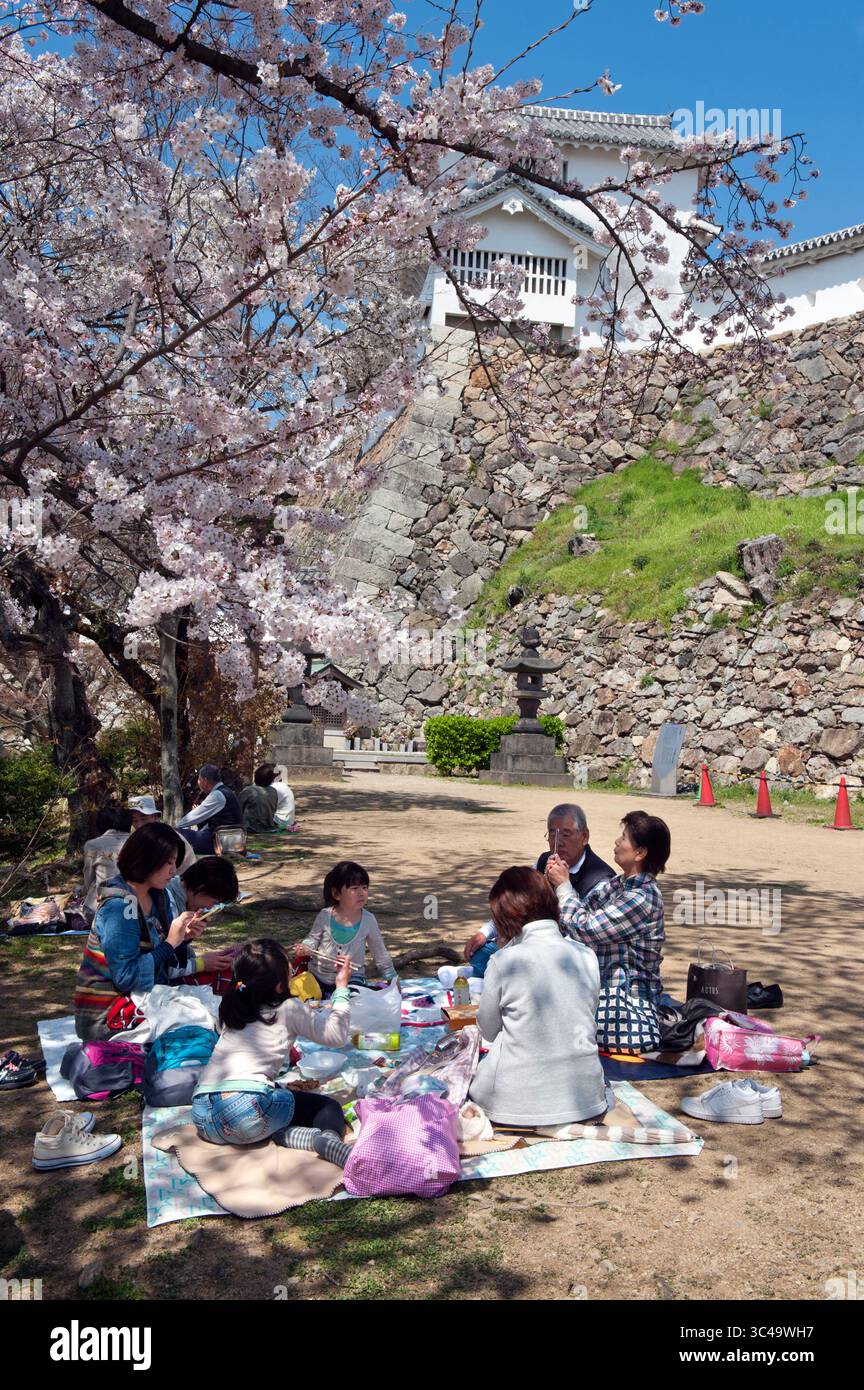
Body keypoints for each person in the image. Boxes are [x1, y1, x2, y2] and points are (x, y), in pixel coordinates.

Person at [191, 939, 354, 1167]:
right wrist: (341, 987)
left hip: (202, 1115)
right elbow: (335, 1036)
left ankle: (300, 1137)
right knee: (326, 1107)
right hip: (247, 1111)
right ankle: (326, 1139)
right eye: (287, 964)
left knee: (274, 1104)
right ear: (279, 985)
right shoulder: (288, 1007)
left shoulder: (231, 1005)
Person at [468, 867, 607, 1128]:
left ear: (505, 917)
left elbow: (487, 1030)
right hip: (586, 1099)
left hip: (512, 1104)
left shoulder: (504, 961)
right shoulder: (586, 955)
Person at [549, 810, 670, 1054]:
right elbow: (582, 909)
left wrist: (563, 887)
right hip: (602, 997)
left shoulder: (642, 898)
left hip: (626, 1009)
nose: (616, 842)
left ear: (640, 852)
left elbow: (585, 929)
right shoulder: (620, 884)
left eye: (624, 838)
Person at [73, 822, 208, 1041]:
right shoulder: (121, 907)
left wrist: (183, 939)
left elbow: (157, 960)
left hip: (143, 999)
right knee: (200, 1026)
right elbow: (127, 977)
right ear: (146, 860)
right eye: (168, 862)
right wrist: (170, 943)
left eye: (175, 862)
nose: (174, 870)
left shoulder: (157, 895)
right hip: (109, 1016)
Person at [462, 803, 615, 978]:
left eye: (566, 834)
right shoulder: (543, 861)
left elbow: (584, 934)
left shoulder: (599, 878)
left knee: (504, 966)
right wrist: (484, 933)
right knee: (480, 954)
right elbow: (516, 903)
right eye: (552, 834)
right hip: (530, 945)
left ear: (584, 836)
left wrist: (563, 884)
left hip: (566, 958)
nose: (558, 842)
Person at [294, 861, 396, 992]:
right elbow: (312, 939)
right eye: (354, 888)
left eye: (364, 888)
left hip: (352, 978)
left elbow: (381, 954)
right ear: (336, 894)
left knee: (355, 1000)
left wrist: (393, 980)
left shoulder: (369, 920)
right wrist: (306, 947)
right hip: (318, 976)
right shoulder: (325, 915)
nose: (361, 893)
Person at [175, 764, 243, 855]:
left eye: (199, 779)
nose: (198, 783)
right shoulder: (227, 791)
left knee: (176, 834)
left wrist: (175, 828)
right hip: (232, 841)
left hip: (221, 843)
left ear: (205, 781)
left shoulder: (217, 795)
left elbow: (194, 816)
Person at [81, 807, 133, 921]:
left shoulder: (93, 845)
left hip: (101, 907)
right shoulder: (139, 841)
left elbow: (88, 880)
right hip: (134, 906)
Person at [127, 795, 196, 871]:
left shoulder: (165, 838)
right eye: (134, 820)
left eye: (144, 819)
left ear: (155, 816)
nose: (139, 825)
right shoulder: (138, 838)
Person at [239, 764, 278, 833]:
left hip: (250, 827)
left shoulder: (248, 791)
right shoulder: (273, 791)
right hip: (268, 826)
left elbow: (238, 809)